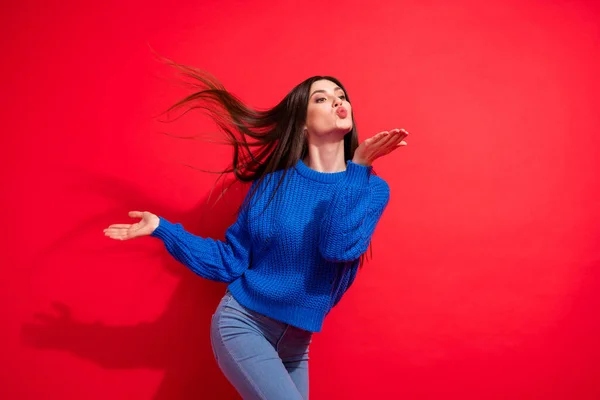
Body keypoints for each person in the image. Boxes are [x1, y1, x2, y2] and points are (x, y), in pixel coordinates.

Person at [103, 65, 409, 400]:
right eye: (321, 98)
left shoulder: (371, 189)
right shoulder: (271, 186)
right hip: (243, 324)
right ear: (303, 121)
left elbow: (337, 247)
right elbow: (232, 260)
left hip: (296, 345)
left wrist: (358, 169)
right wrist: (163, 229)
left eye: (341, 96)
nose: (337, 102)